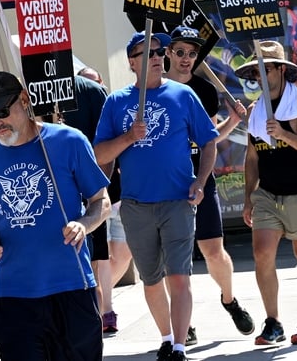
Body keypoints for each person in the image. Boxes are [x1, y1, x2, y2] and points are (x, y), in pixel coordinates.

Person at [94, 31, 219, 361]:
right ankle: (166, 337)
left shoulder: (183, 95)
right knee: (152, 280)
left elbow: (209, 141)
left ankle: (178, 347)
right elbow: (100, 154)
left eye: (158, 50)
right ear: (132, 62)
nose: (155, 55)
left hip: (178, 202)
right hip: (136, 206)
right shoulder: (116, 102)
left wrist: (201, 181)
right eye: (145, 51)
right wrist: (128, 137)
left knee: (179, 276)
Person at [0, 71, 111, 360]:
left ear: (24, 100)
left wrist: (83, 224)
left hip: (71, 285)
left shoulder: (69, 141)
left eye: (1, 112)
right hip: (14, 294)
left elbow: (101, 202)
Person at [164, 25, 254, 344]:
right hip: (166, 182)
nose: (187, 58)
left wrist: (232, 121)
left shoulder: (204, 89)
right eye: (181, 52)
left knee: (214, 252)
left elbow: (209, 139)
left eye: (193, 53)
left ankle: (229, 299)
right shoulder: (154, 89)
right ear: (168, 53)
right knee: (174, 257)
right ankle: (183, 321)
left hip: (201, 176)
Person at [237, 40, 297, 345]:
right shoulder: (256, 111)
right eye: (256, 71)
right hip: (267, 194)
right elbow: (253, 157)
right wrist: (248, 197)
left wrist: (283, 133)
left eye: (265, 69)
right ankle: (273, 322)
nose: (259, 76)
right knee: (261, 253)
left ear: (281, 70)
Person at [42, 72, 117, 333]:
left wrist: (98, 188)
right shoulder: (29, 95)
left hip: (85, 201)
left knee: (94, 264)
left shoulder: (90, 95)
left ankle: (101, 315)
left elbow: (107, 147)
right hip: (51, 210)